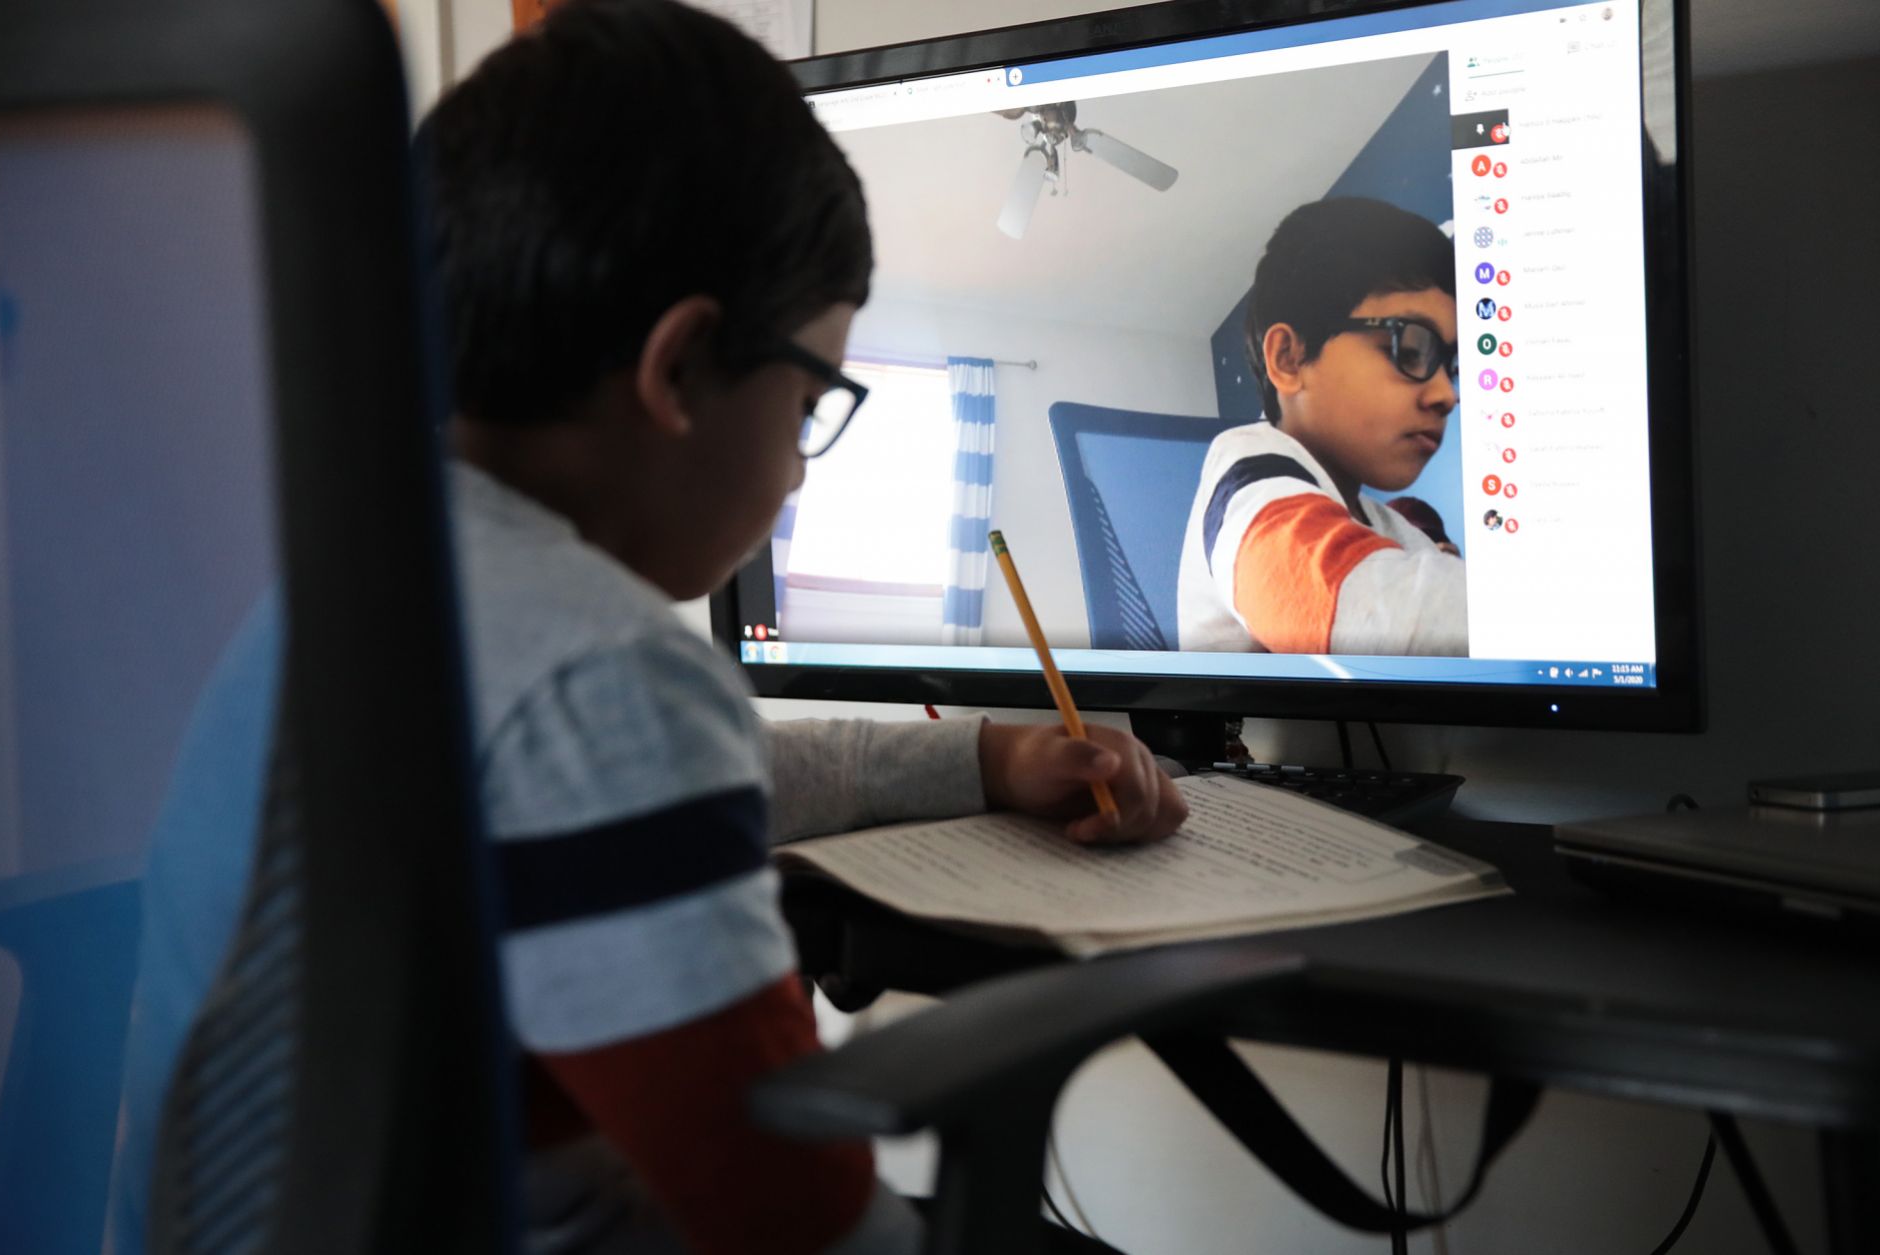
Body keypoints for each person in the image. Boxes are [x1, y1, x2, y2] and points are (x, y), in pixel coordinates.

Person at [108, 4, 1183, 1254]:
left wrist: (982, 759)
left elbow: (672, 771)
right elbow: (799, 1226)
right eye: (811, 397)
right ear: (682, 369)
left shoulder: (362, 578)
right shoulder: (602, 673)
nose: (796, 465)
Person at [1177, 197, 1468, 656]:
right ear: (1290, 359)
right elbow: (1369, 614)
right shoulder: (1249, 476)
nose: (1446, 395)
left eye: (1450, 366)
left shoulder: (1386, 525)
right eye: (1411, 350)